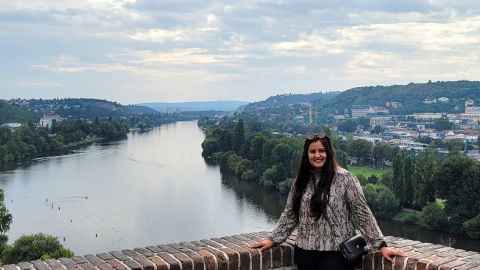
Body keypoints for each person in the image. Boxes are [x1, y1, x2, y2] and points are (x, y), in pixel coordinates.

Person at [250, 135, 405, 270]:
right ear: (307, 155)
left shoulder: (345, 179)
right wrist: (273, 239)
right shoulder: (301, 180)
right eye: (313, 151)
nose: (317, 155)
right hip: (305, 252)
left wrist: (381, 245)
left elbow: (362, 213)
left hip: (338, 254)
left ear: (329, 153)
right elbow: (290, 213)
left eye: (322, 151)